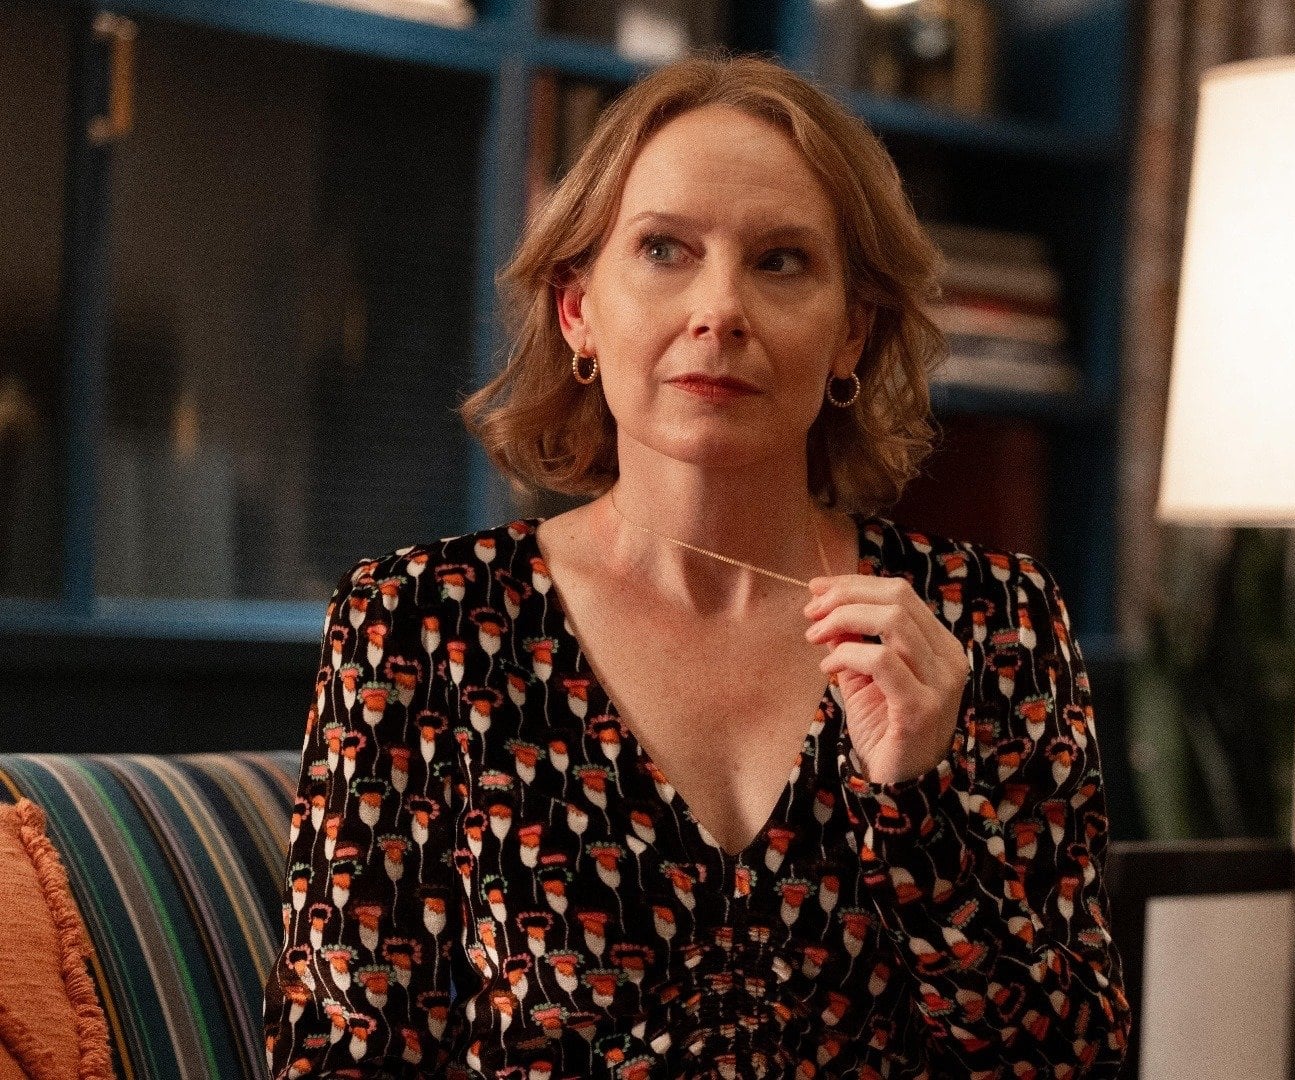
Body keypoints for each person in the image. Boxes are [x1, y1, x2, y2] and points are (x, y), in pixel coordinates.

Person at [261, 51, 1132, 1079]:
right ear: (578, 310)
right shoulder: (417, 624)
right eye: (665, 249)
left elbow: (1072, 1059)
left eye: (781, 261)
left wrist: (923, 803)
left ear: (851, 333)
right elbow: (340, 1057)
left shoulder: (997, 625)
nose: (720, 309)